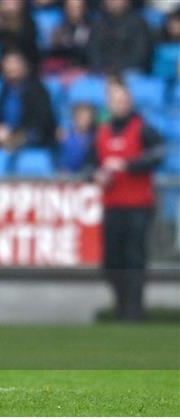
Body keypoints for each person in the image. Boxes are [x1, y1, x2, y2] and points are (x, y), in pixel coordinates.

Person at [87, 77, 163, 321]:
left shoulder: (143, 128)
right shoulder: (102, 132)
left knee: (134, 259)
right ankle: (121, 304)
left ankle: (133, 310)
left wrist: (128, 165)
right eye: (115, 100)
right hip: (112, 205)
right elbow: (89, 165)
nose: (119, 104)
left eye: (123, 99)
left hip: (139, 206)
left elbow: (157, 156)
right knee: (112, 260)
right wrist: (96, 175)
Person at [0, 49, 56, 159]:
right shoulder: (4, 90)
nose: (10, 67)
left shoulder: (38, 90)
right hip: (5, 140)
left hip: (32, 140)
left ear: (24, 66)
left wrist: (16, 138)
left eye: (14, 63)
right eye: (7, 63)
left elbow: (42, 123)